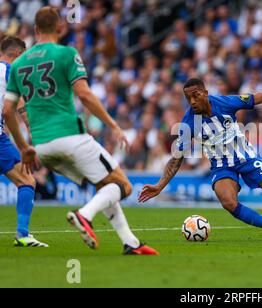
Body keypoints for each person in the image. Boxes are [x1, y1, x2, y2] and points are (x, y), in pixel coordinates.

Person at [2, 7, 158, 256]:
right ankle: (84, 215)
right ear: (61, 28)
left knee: (104, 185)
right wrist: (113, 125)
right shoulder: (65, 53)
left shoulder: (19, 63)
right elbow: (84, 94)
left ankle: (131, 242)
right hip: (69, 137)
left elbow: (8, 110)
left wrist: (24, 147)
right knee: (123, 185)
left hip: (41, 146)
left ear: (35, 30)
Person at [139, 75, 262, 243]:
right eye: (188, 98)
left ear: (205, 93)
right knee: (229, 203)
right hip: (222, 166)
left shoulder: (226, 103)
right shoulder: (188, 123)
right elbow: (176, 158)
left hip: (247, 158)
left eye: (195, 95)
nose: (192, 101)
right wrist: (160, 185)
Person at [0, 36, 48, 248]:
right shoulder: (11, 72)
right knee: (27, 181)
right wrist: (31, 134)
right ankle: (22, 234)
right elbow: (19, 107)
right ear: (18, 55)